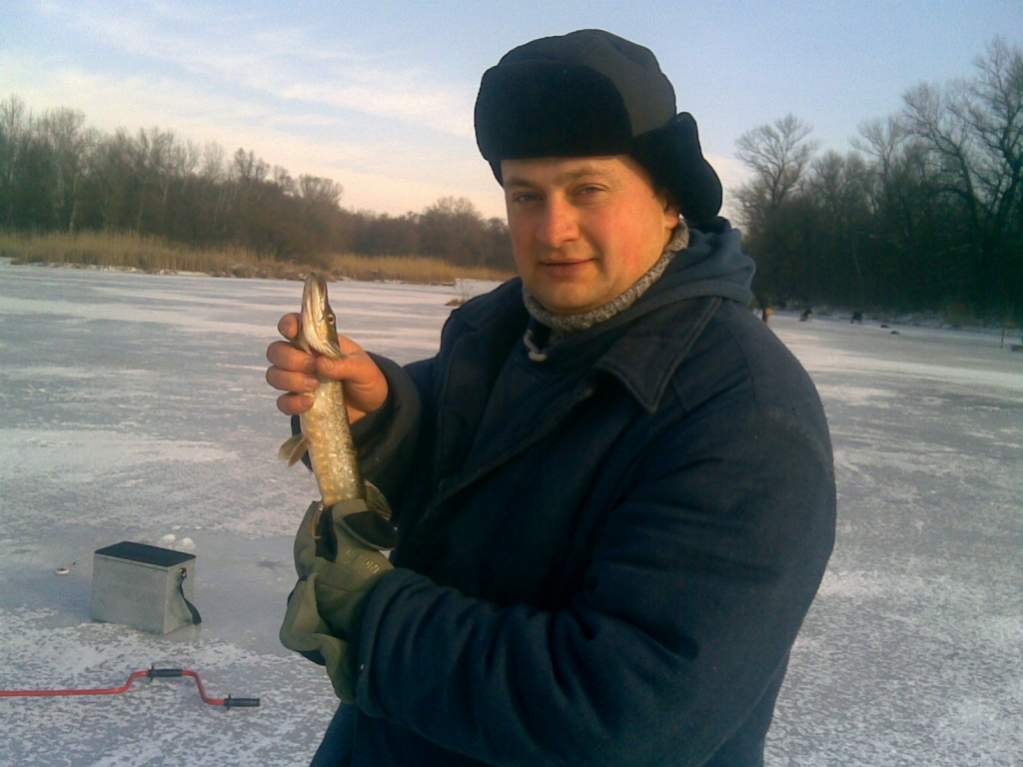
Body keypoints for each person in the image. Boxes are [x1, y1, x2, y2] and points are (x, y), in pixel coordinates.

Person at [266, 29, 835, 767]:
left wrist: (372, 619)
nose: (552, 229)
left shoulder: (747, 417)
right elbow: (455, 461)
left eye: (587, 189)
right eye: (525, 195)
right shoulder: (498, 336)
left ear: (669, 199)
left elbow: (619, 714)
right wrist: (384, 417)